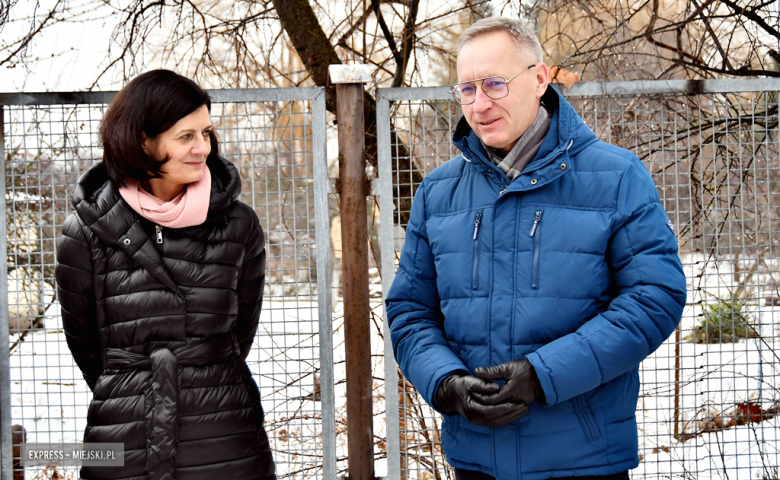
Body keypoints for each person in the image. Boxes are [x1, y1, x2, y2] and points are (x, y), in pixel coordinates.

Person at [386, 17, 687, 480]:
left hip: (583, 458)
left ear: (540, 77)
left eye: (494, 84)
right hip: (475, 459)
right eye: (466, 89)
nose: (479, 105)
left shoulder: (616, 177)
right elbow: (410, 309)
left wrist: (544, 375)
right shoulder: (437, 193)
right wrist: (445, 384)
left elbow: (654, 297)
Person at [55, 70, 276, 480]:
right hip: (123, 430)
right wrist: (134, 386)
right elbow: (86, 345)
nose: (202, 148)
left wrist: (197, 378)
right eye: (185, 136)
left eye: (206, 133)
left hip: (224, 429)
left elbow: (240, 332)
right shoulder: (85, 231)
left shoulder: (239, 224)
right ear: (142, 139)